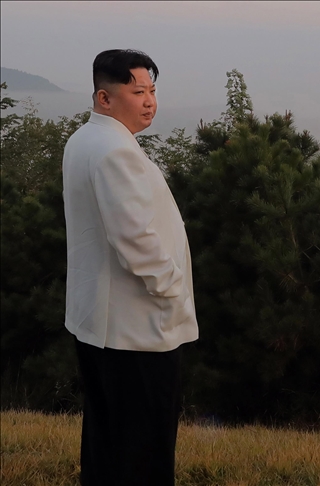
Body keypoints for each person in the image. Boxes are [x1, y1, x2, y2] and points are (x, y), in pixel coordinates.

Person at [62, 49, 198, 485]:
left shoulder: (85, 139)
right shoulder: (116, 151)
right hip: (134, 327)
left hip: (99, 323)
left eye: (153, 90)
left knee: (109, 438)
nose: (149, 101)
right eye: (137, 91)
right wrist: (171, 289)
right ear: (105, 98)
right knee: (144, 445)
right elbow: (135, 238)